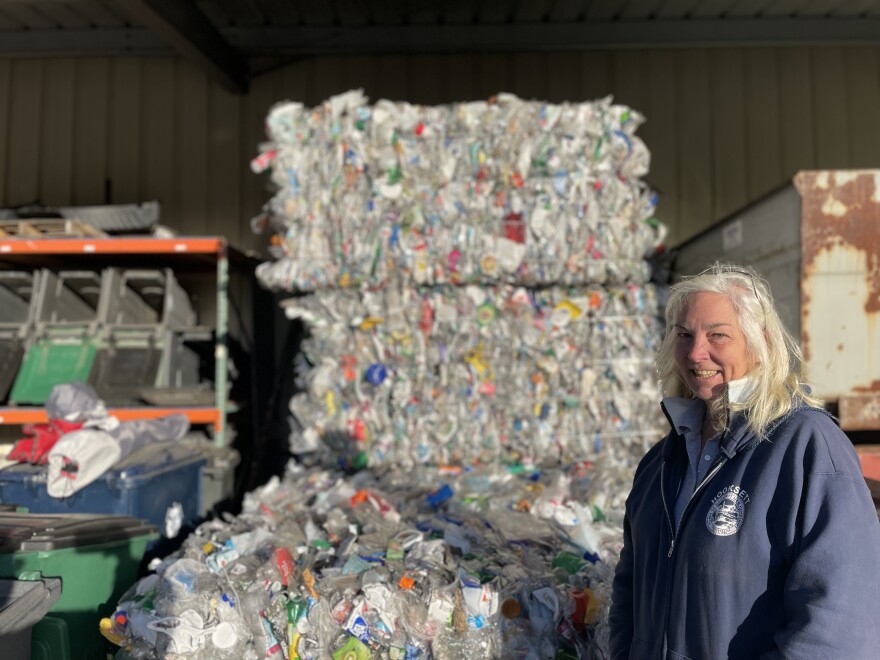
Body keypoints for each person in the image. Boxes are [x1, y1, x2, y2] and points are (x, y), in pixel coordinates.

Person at [608, 263, 880, 659]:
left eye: (717, 334)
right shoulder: (660, 464)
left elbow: (839, 625)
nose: (696, 352)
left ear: (760, 342)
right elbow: (628, 594)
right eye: (684, 335)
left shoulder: (805, 446)